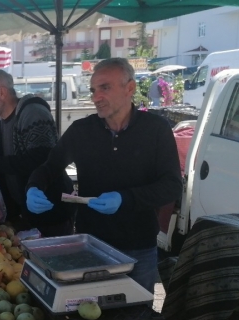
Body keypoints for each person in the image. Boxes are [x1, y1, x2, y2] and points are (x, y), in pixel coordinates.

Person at [26, 58, 182, 293]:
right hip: (92, 244)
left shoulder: (155, 129)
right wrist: (33, 187)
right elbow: (50, 167)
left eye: (105, 88)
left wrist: (125, 198)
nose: (96, 97)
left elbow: (172, 185)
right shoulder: (81, 131)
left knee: (138, 311)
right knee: (92, 309)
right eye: (93, 90)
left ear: (130, 88)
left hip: (139, 245)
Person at [0, 69, 74, 237]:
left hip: (49, 208)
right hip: (25, 212)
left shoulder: (32, 113)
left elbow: (43, 158)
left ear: (2, 93)